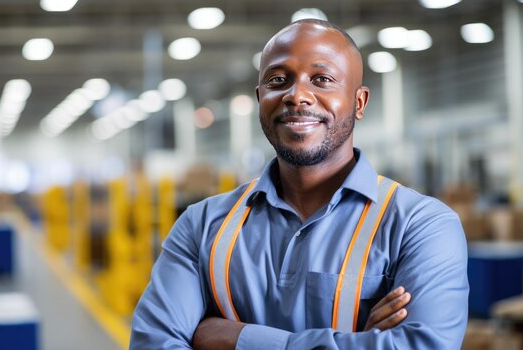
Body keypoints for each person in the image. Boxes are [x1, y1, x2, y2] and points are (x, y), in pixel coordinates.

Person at [130, 19, 469, 349]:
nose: (297, 95)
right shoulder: (201, 226)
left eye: (321, 79)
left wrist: (236, 339)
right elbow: (152, 343)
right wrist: (358, 342)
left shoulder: (421, 226)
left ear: (359, 102)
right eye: (279, 80)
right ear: (260, 97)